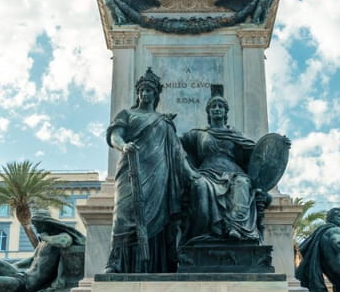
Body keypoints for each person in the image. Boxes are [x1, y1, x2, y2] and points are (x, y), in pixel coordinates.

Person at [105, 68, 184, 273]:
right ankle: (117, 263)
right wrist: (123, 146)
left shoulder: (163, 121)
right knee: (124, 213)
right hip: (130, 167)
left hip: (158, 173)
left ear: (156, 95)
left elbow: (176, 152)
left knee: (156, 216)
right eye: (142, 91)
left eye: (150, 91)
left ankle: (156, 264)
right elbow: (115, 136)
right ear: (138, 94)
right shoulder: (127, 114)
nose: (145, 94)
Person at [178, 88, 273, 243]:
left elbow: (256, 154)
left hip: (233, 172)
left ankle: (236, 228)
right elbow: (177, 145)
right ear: (208, 112)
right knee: (200, 185)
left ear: (225, 112)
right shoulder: (198, 134)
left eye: (220, 106)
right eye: (213, 107)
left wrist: (278, 147)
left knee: (243, 183)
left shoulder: (235, 135)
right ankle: (203, 234)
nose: (217, 109)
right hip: (207, 172)